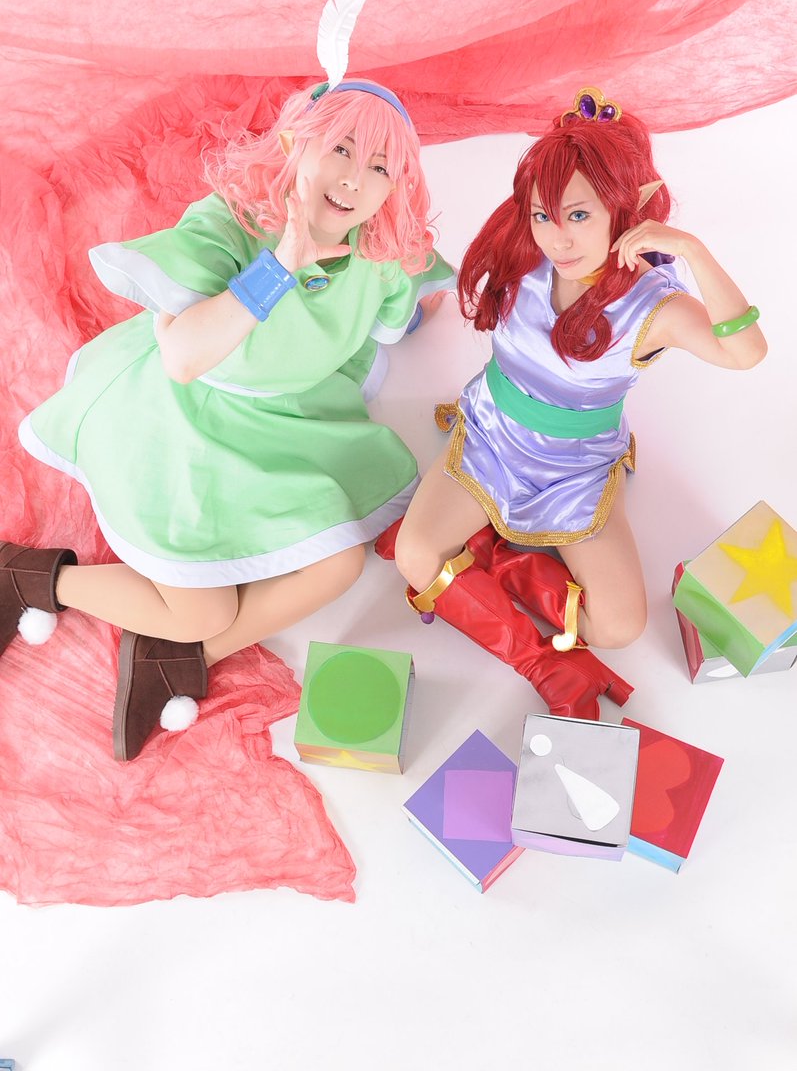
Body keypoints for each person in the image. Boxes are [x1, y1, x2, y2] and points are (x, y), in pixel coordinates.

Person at [0, 78, 455, 760]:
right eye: (341, 149)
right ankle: (31, 578)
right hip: (182, 418)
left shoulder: (375, 247)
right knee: (203, 608)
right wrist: (282, 264)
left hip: (280, 422)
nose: (354, 180)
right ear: (297, 141)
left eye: (380, 167)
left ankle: (177, 657)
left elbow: (413, 299)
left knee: (338, 565)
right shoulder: (231, 220)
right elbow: (183, 357)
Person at [376, 87, 767, 720]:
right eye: (543, 215)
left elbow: (746, 352)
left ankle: (494, 557)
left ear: (625, 209)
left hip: (575, 469)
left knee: (619, 626)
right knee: (415, 555)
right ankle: (543, 663)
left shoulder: (651, 305)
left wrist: (692, 250)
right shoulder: (524, 259)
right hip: (491, 438)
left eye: (579, 215)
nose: (558, 238)